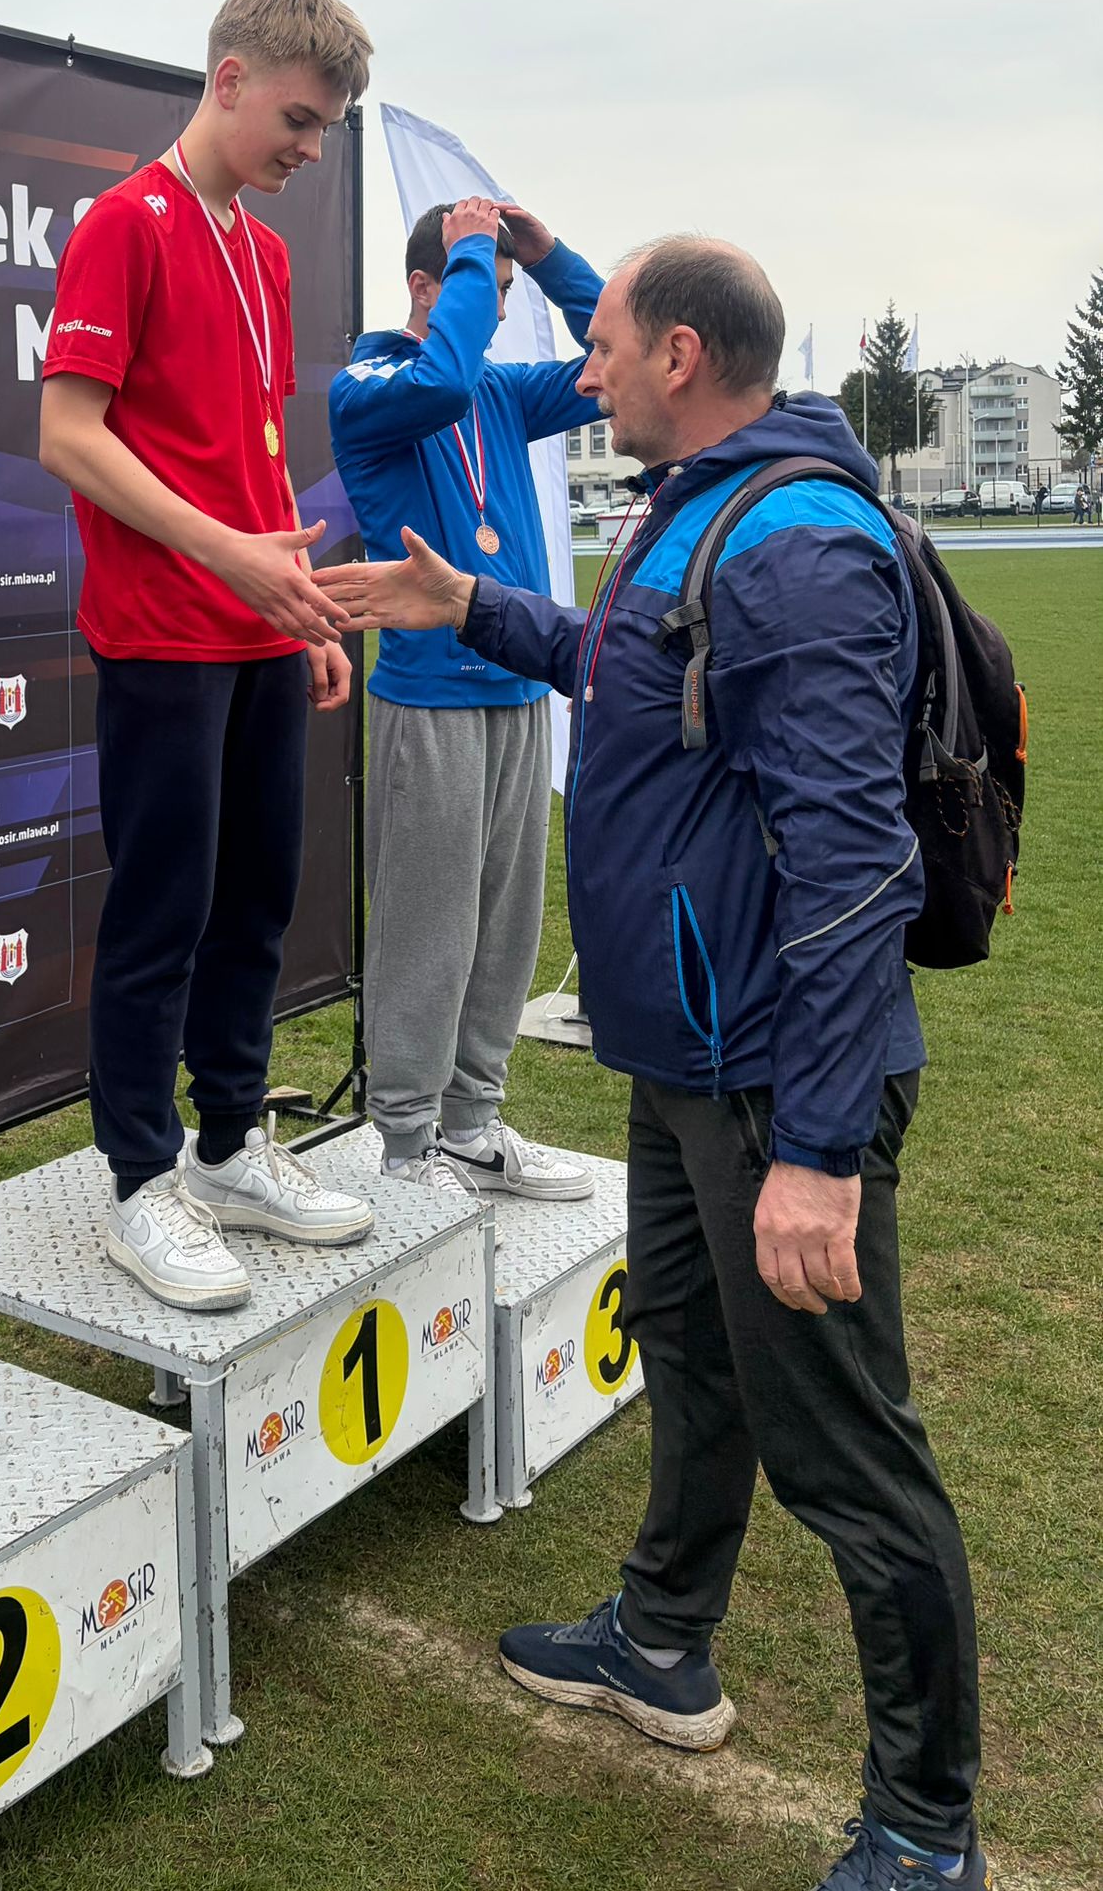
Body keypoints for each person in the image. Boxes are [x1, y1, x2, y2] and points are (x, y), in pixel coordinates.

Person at [323, 238, 988, 1891]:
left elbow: (852, 866)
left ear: (679, 355)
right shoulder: (700, 509)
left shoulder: (794, 545)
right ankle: (661, 1635)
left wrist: (816, 1149)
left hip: (775, 1084)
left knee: (847, 1450)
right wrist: (468, 605)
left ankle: (925, 1829)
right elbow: (623, 671)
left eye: (605, 341)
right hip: (689, 1062)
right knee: (692, 1367)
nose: (586, 367)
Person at [38, 0, 375, 1312]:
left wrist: (293, 601)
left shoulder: (265, 251)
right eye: (296, 118)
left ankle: (230, 1145)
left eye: (324, 128)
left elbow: (256, 448)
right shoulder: (124, 224)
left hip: (254, 630)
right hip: (161, 634)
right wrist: (226, 555)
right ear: (228, 79)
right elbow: (69, 435)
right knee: (163, 908)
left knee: (258, 899)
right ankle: (139, 1178)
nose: (309, 147)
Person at [329, 194, 599, 1204]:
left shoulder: (502, 391)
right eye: (481, 286)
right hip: (429, 697)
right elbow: (439, 379)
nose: (496, 308)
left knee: (505, 922)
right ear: (423, 288)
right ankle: (406, 1146)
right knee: (427, 926)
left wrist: (551, 258)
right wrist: (474, 248)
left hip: (518, 685)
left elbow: (617, 364)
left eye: (504, 289)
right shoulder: (369, 385)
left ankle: (473, 1124)